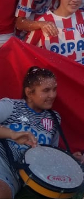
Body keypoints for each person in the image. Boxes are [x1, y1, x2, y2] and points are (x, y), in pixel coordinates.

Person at [0, 67, 66, 199]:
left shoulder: (54, 118)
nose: (52, 95)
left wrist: (70, 158)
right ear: (29, 93)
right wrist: (12, 134)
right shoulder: (11, 106)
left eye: (54, 89)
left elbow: (51, 153)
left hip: (17, 174)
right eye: (46, 90)